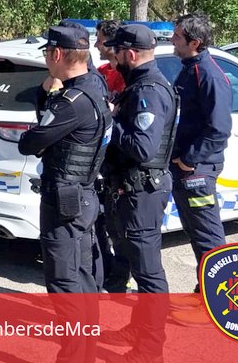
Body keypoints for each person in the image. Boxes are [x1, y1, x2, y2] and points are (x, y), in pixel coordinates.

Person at [18, 25, 110, 363]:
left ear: (57, 55)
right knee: (83, 280)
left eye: (46, 53)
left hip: (65, 201)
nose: (45, 59)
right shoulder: (95, 88)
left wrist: (47, 101)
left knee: (64, 283)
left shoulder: (73, 101)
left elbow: (31, 141)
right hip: (82, 198)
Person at [99, 24, 176, 362]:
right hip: (131, 191)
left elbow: (142, 148)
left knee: (148, 274)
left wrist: (110, 122)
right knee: (136, 264)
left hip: (141, 192)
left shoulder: (149, 90)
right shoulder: (138, 85)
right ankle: (139, 331)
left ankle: (149, 351)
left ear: (130, 54)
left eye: (115, 52)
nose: (111, 58)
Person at [169, 13, 232, 308]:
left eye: (177, 36)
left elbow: (219, 129)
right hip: (185, 168)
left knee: (208, 239)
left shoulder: (208, 75)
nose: (172, 40)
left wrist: (190, 160)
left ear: (195, 42)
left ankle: (219, 301)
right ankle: (205, 294)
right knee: (197, 234)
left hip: (198, 171)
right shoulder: (188, 68)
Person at [93, 19, 129, 292]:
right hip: (99, 161)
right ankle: (108, 273)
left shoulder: (129, 77)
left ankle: (122, 276)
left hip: (123, 164)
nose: (97, 44)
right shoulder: (101, 71)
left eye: (101, 39)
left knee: (125, 230)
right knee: (104, 223)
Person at [95, 19, 126, 103]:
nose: (95, 45)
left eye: (99, 41)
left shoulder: (128, 76)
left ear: (113, 43)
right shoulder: (100, 71)